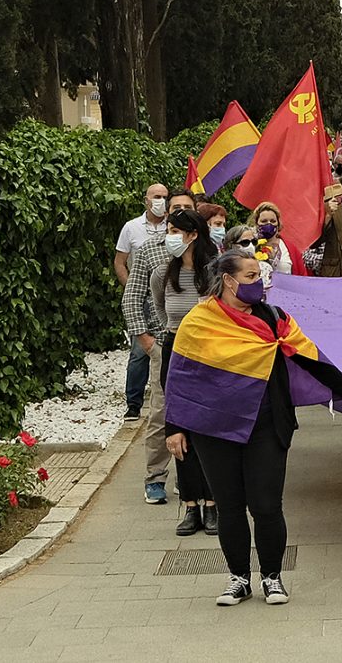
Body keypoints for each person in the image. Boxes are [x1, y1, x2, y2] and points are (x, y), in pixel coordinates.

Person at [166, 250, 342, 606]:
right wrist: (174, 427)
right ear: (228, 281)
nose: (257, 284)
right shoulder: (198, 322)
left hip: (266, 424)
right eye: (249, 277)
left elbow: (311, 358)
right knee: (229, 507)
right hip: (214, 429)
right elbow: (181, 379)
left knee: (266, 505)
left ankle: (272, 578)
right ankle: (238, 579)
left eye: (258, 276)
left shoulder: (275, 319)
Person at [122, 189, 196, 504]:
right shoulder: (151, 251)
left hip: (203, 350)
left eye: (186, 209)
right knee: (161, 413)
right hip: (164, 344)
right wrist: (146, 339)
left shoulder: (208, 256)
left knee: (196, 414)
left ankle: (190, 476)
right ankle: (155, 477)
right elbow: (133, 296)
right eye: (174, 208)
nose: (177, 212)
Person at [151, 210, 220, 536]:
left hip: (207, 354)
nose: (171, 236)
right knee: (178, 428)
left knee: (207, 427)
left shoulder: (214, 272)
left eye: (177, 230)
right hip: (175, 351)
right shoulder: (163, 272)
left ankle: (212, 503)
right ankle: (190, 504)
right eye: (169, 230)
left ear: (194, 234)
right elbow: (164, 312)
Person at [116, 183, 169, 422]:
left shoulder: (174, 229)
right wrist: (132, 289)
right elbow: (120, 261)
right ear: (146, 200)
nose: (161, 201)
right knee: (140, 351)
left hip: (168, 300)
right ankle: (133, 403)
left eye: (165, 197)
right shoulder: (131, 228)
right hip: (143, 298)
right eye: (156, 197)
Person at [247, 202, 308, 282]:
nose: (269, 224)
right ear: (256, 223)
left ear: (278, 224)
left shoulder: (291, 249)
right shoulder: (249, 246)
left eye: (273, 221)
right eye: (264, 221)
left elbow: (303, 278)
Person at [304, 183, 342, 277]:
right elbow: (309, 249)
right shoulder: (323, 217)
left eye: (340, 196)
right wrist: (327, 217)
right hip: (332, 274)